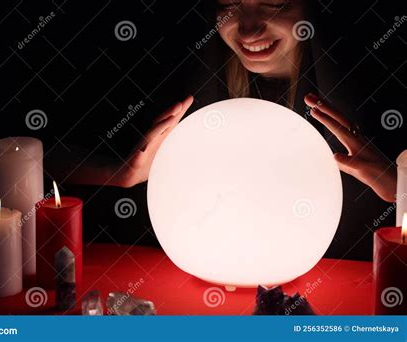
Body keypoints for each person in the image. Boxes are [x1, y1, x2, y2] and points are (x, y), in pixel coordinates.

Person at [49, 0, 399, 259]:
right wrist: (120, 174)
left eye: (274, 4)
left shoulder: (382, 89)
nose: (247, 28)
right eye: (229, 4)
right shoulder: (179, 86)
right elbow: (23, 158)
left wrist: (400, 188)